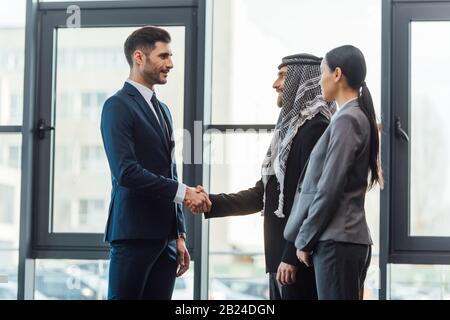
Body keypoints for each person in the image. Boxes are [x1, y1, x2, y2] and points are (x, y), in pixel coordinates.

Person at [192, 54, 335, 300]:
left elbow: (311, 198)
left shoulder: (316, 129)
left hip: (297, 262)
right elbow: (264, 194)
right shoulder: (291, 132)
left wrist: (291, 256)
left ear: (303, 80)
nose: (275, 84)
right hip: (281, 261)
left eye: (283, 76)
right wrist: (210, 202)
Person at [100, 26, 211, 300]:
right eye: (163, 56)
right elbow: (126, 172)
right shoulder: (117, 106)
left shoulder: (163, 109)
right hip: (133, 235)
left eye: (170, 56)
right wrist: (185, 192)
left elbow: (169, 171)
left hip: (167, 240)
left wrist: (179, 233)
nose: (170, 64)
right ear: (139, 57)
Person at [284, 45, 383, 300]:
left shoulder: (348, 118)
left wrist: (304, 239)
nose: (320, 81)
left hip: (338, 242)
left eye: (322, 73)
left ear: (337, 74)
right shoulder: (357, 115)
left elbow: (329, 187)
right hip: (346, 239)